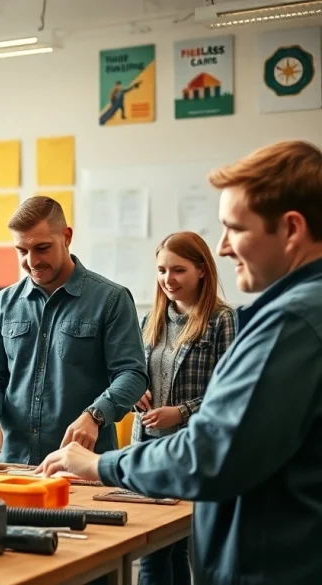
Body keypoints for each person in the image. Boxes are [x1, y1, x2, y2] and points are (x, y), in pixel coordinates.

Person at [37, 140, 322, 585]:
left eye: (235, 229)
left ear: (291, 229)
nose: (224, 248)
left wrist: (98, 465)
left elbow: (210, 452)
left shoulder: (292, 323)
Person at [0, 196, 147, 466]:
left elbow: (133, 375)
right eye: (22, 251)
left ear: (66, 237)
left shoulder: (111, 299)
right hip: (14, 466)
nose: (32, 262)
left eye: (42, 248)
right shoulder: (3, 303)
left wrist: (95, 415)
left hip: (83, 467)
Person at [132, 231, 236, 585]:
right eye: (161, 270)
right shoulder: (151, 319)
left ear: (202, 270)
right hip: (148, 447)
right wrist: (136, 393)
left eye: (178, 270)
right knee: (155, 552)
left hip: (191, 450)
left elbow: (230, 394)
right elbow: (133, 374)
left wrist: (182, 412)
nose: (167, 280)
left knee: (176, 548)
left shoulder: (222, 320)